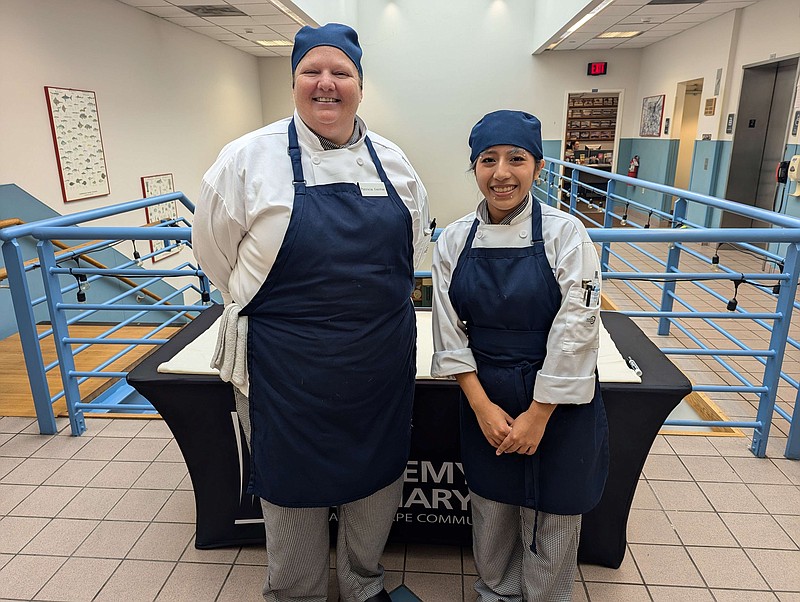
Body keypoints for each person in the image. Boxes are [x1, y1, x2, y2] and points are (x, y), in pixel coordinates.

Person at [192, 23, 430, 602]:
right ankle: (295, 592)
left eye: (341, 72)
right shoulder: (247, 159)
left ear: (360, 85)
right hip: (283, 367)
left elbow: (416, 251)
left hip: (377, 363)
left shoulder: (393, 163)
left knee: (377, 484)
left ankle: (362, 584)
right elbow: (214, 255)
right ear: (294, 80)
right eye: (311, 72)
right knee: (291, 493)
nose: (327, 84)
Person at [430, 110, 608, 601]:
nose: (501, 172)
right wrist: (483, 407)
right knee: (492, 509)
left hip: (556, 396)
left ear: (539, 167)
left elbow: (578, 326)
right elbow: (448, 331)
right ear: (474, 167)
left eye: (516, 159)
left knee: (556, 512)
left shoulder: (566, 234)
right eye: (488, 160)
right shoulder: (453, 239)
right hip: (487, 394)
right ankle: (496, 593)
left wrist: (539, 412)